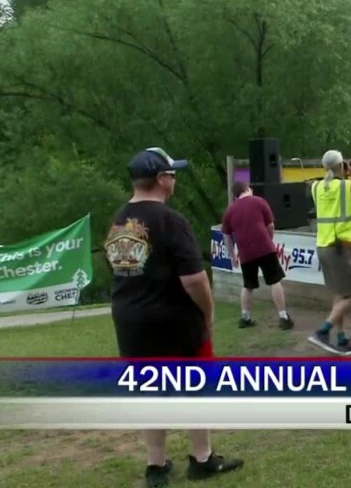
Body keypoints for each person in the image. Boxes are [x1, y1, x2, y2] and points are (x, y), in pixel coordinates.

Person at [103, 147, 243, 488]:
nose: (174, 180)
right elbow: (194, 280)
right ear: (162, 179)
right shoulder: (171, 220)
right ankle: (202, 457)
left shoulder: (119, 220)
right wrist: (208, 314)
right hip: (175, 320)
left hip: (130, 319)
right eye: (173, 174)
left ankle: (156, 465)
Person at [307, 150, 351, 356]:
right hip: (340, 249)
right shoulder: (346, 187)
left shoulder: (316, 187)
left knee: (339, 294)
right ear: (341, 166)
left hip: (323, 246)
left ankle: (342, 338)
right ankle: (323, 330)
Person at [220, 181, 294, 330]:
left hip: (245, 252)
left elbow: (226, 235)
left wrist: (232, 255)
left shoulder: (230, 211)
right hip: (265, 248)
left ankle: (245, 317)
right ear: (248, 189)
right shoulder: (259, 201)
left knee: (248, 285)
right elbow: (270, 225)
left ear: (235, 196)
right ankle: (283, 317)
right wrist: (269, 240)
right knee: (275, 281)